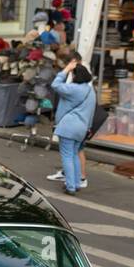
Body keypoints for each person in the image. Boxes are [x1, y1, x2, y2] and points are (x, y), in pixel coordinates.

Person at [51, 56, 96, 196]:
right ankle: (76, 183)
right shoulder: (91, 91)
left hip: (68, 127)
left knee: (67, 156)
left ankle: (70, 186)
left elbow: (55, 84)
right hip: (82, 128)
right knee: (75, 155)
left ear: (76, 76)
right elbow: (92, 113)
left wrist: (66, 69)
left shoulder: (73, 89)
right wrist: (88, 127)